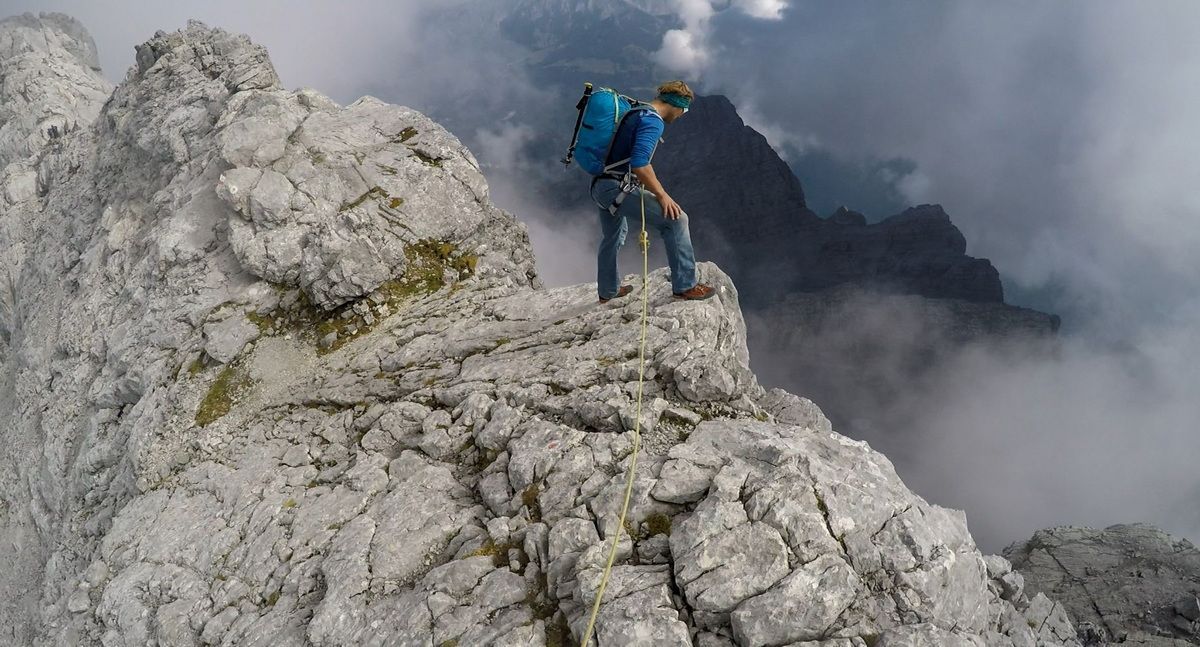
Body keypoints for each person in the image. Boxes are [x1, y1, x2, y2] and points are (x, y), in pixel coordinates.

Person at [590, 80, 716, 304]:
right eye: (684, 110)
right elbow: (640, 164)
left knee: (613, 235)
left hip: (600, 186)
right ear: (676, 105)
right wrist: (662, 195)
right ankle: (685, 286)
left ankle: (607, 291)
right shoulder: (652, 121)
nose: (681, 115)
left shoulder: (637, 111)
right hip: (617, 188)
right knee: (677, 220)